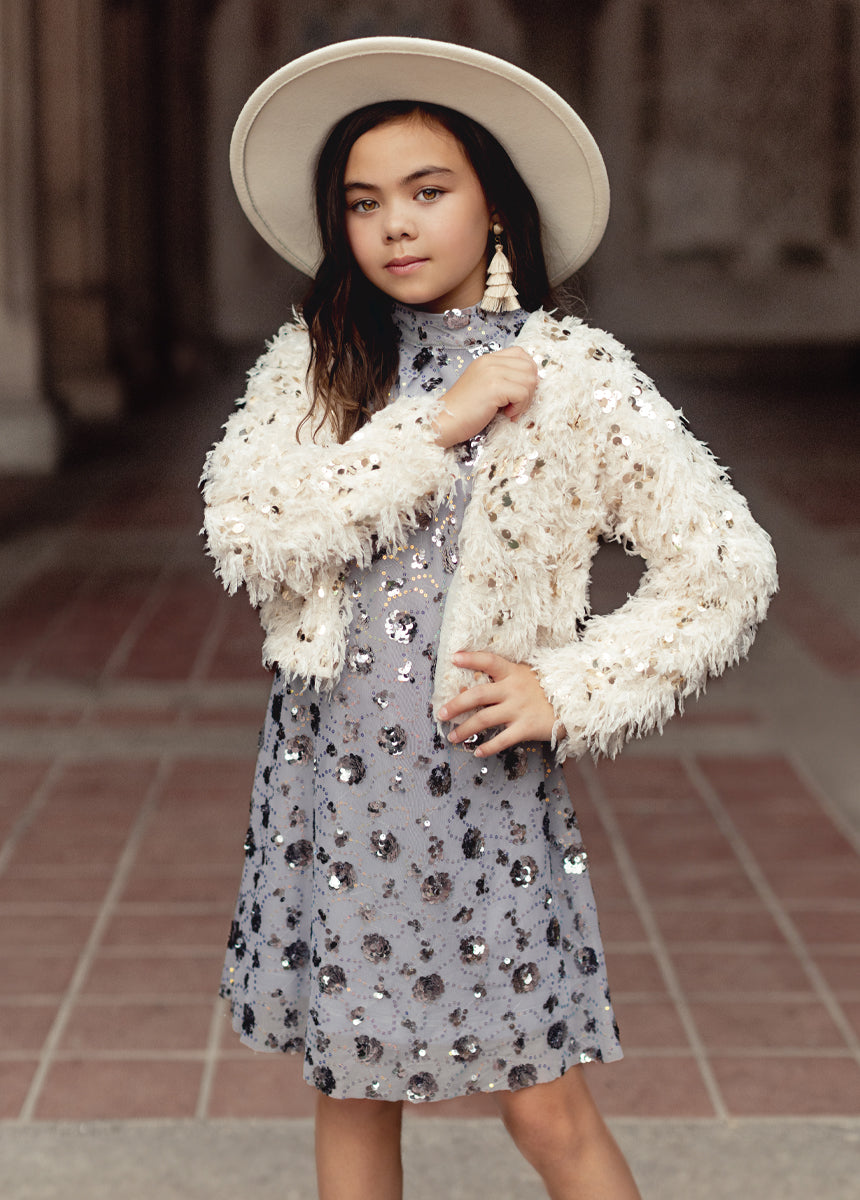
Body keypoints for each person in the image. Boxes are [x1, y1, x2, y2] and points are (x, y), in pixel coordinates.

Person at [201, 37, 777, 1200]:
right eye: (364, 203)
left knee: (543, 1100)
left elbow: (723, 564)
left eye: (427, 192)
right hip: (333, 778)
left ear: (495, 211)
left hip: (474, 782)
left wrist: (564, 689)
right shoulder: (318, 361)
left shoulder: (574, 371)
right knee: (351, 1085)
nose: (395, 226)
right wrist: (437, 424)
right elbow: (250, 528)